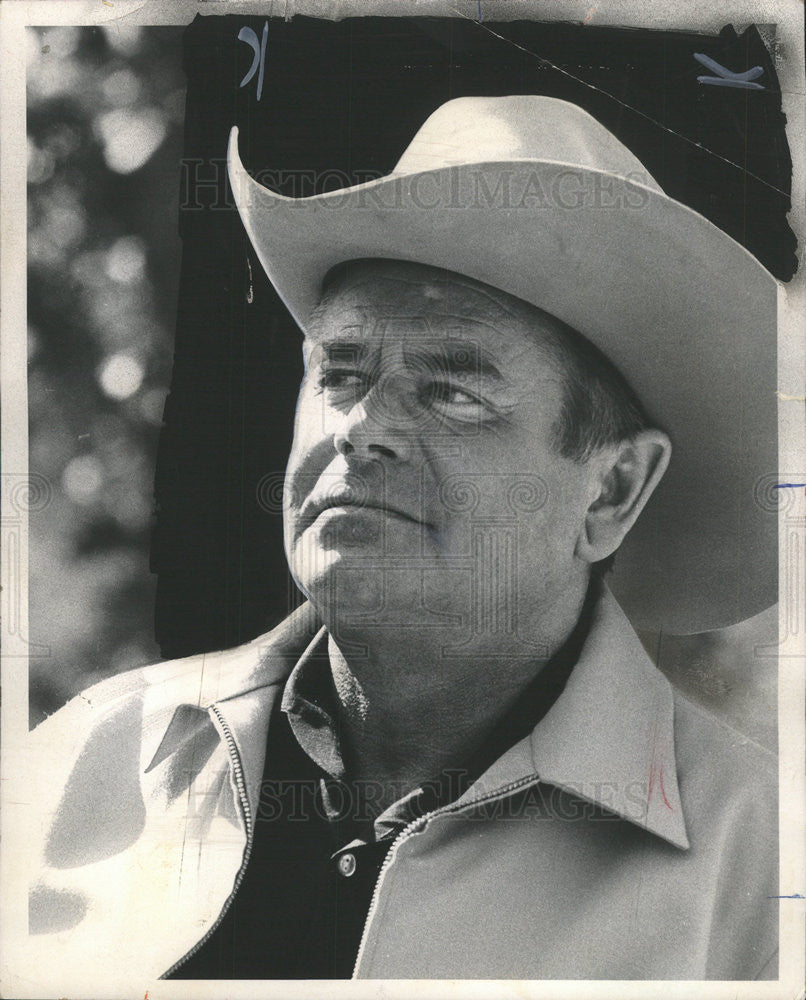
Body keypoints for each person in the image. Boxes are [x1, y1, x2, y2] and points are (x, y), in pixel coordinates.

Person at [24, 96, 778, 988]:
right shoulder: (83, 762)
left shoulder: (761, 874)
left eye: (453, 394)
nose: (361, 428)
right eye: (341, 374)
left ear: (610, 492)